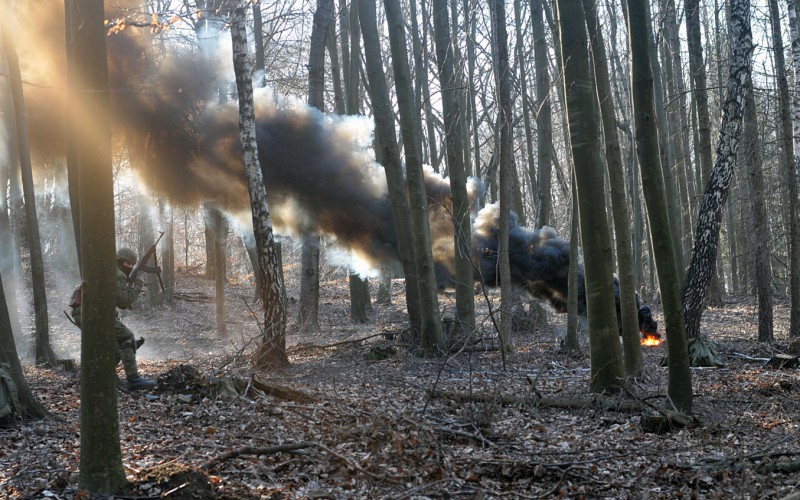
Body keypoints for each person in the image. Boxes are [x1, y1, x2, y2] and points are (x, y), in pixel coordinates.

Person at [69, 247, 156, 391]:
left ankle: (97, 377)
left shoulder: (109, 271)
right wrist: (137, 285)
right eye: (127, 263)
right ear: (119, 261)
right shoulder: (118, 275)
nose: (130, 267)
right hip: (90, 313)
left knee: (115, 347)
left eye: (132, 264)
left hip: (84, 313)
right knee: (127, 336)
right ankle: (133, 379)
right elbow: (123, 302)